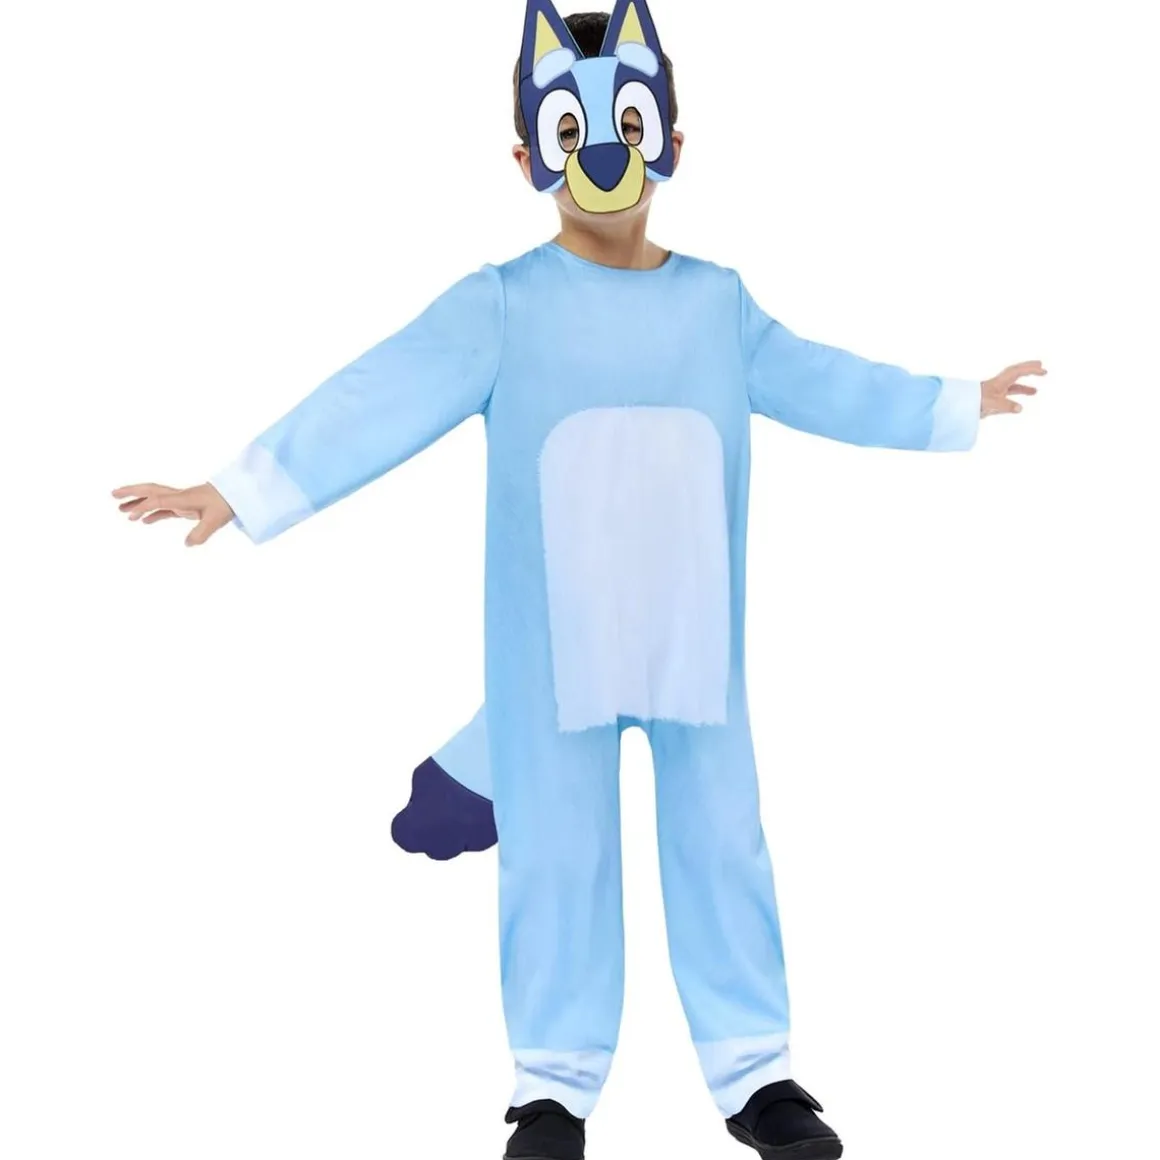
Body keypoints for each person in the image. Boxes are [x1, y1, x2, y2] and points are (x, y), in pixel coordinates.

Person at [112, 4, 1043, 1158]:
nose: (603, 153)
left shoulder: (717, 305)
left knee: (721, 841)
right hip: (551, 657)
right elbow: (378, 393)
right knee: (558, 857)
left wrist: (952, 402)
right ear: (526, 156)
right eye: (570, 132)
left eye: (628, 126)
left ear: (672, 143)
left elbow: (826, 379)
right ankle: (550, 1086)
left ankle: (756, 1074)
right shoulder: (503, 305)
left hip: (695, 644)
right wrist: (238, 488)